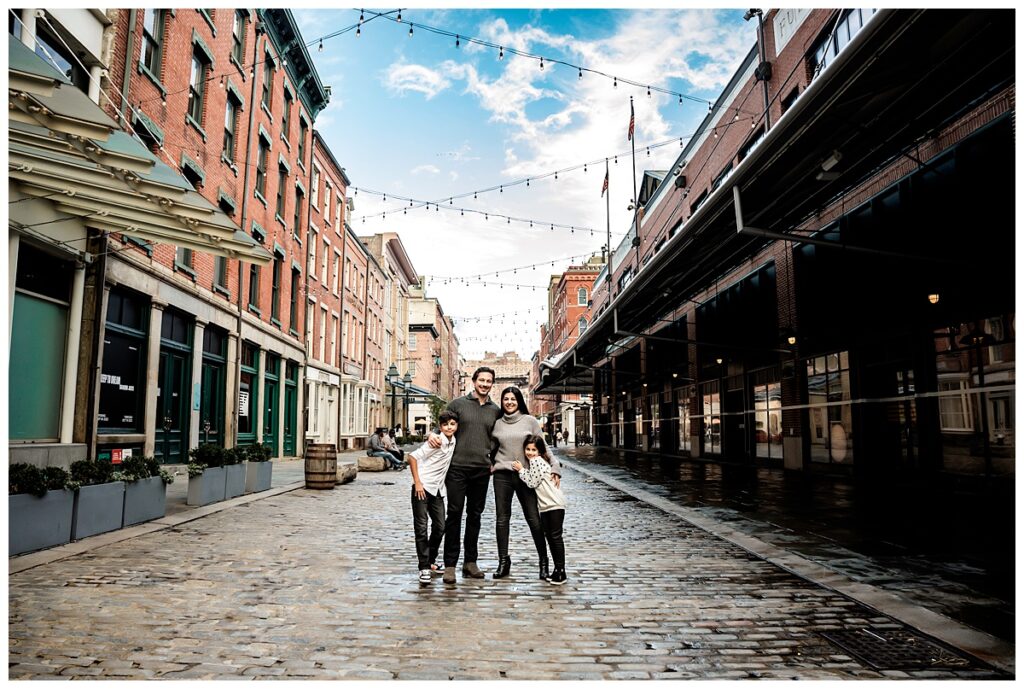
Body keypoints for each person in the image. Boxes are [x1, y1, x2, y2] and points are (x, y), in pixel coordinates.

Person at [427, 367, 500, 585]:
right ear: (474, 381)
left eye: (489, 381)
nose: (485, 384)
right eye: (481, 380)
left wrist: (493, 461)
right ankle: (450, 565)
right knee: (454, 514)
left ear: (492, 384)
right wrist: (433, 434)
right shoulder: (458, 405)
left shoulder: (495, 411)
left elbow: (499, 439)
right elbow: (442, 425)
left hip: (482, 471)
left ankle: (470, 562)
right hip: (457, 468)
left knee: (475, 516)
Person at [490, 386, 561, 580]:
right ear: (502, 401)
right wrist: (489, 464)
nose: (510, 402)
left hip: (526, 476)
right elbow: (489, 448)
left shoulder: (530, 421)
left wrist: (555, 467)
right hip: (502, 475)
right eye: (506, 399)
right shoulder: (496, 424)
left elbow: (544, 447)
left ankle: (543, 561)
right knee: (502, 519)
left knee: (534, 519)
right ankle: (503, 561)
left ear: (519, 400)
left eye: (513, 399)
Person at [407, 411, 459, 584]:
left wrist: (432, 433)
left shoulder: (453, 441)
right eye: (445, 425)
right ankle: (424, 567)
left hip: (437, 490)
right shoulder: (436, 442)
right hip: (422, 488)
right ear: (440, 426)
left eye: (452, 424)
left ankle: (430, 560)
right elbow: (412, 457)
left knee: (440, 526)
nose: (449, 427)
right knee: (421, 528)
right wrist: (418, 482)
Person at [513, 434, 568, 585]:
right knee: (551, 537)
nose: (530, 453)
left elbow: (532, 482)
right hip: (547, 506)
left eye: (533, 450)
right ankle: (558, 571)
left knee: (555, 538)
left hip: (554, 505)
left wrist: (520, 470)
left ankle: (561, 572)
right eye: (528, 449)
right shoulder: (537, 461)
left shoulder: (537, 462)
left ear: (539, 451)